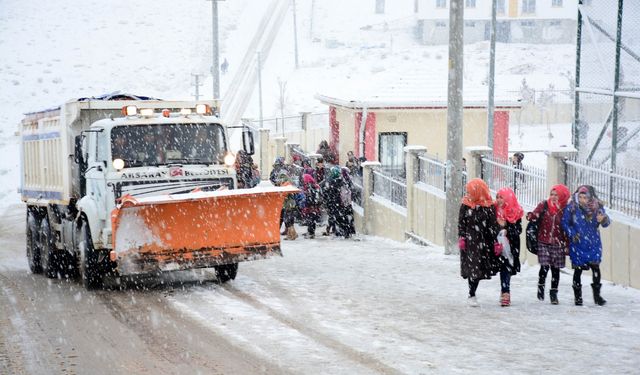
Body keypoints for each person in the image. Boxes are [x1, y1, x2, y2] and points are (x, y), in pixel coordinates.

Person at [561, 185, 610, 306]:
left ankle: (597, 296)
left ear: (590, 198)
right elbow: (564, 223)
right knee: (578, 270)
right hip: (578, 243)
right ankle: (578, 297)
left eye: (585, 197)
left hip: (593, 243)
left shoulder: (597, 207)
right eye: (580, 197)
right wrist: (572, 233)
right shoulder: (572, 207)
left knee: (595, 268)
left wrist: (603, 219)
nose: (583, 199)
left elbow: (606, 223)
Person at [458, 178, 501, 306]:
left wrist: (496, 242)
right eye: (468, 192)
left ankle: (472, 291)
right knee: (473, 268)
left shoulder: (489, 207)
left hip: (484, 242)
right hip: (470, 241)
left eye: (470, 192)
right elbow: (461, 223)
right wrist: (462, 237)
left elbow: (493, 226)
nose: (468, 194)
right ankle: (471, 293)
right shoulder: (465, 205)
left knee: (478, 268)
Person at [526, 184, 570, 304]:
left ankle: (554, 293)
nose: (553, 197)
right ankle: (541, 286)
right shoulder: (544, 205)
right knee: (544, 266)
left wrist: (567, 243)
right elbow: (536, 214)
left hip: (558, 243)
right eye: (552, 194)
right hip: (543, 241)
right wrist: (531, 216)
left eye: (556, 195)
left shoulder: (566, 209)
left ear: (563, 196)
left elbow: (568, 227)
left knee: (555, 270)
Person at [494, 187, 523, 307]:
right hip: (496, 245)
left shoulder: (515, 211)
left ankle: (505, 292)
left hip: (511, 246)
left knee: (507, 268)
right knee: (502, 267)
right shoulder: (493, 210)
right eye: (498, 197)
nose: (499, 200)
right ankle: (505, 291)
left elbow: (518, 229)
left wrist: (506, 227)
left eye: (502, 197)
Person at [301, 174, 322, 238]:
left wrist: (309, 204)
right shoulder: (312, 185)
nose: (303, 180)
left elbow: (312, 197)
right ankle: (310, 231)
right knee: (311, 219)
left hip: (312, 206)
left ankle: (311, 233)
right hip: (312, 205)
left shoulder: (311, 186)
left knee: (311, 219)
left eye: (304, 179)